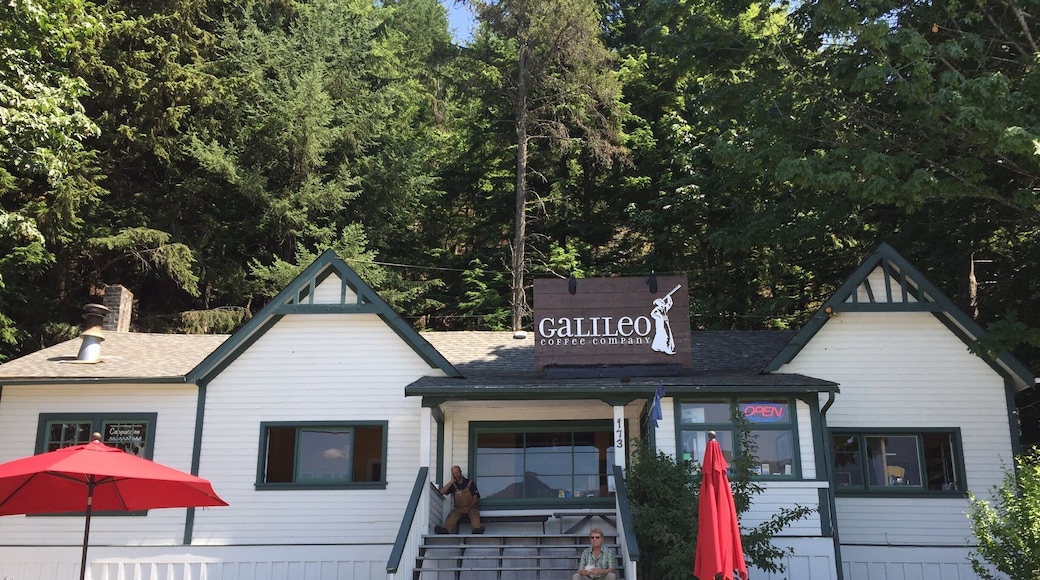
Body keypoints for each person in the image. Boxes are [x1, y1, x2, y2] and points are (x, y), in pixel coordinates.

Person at [435, 465, 484, 534]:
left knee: (475, 515)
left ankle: (476, 530)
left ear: (460, 472)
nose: (456, 475)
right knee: (451, 516)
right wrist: (451, 482)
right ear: (452, 475)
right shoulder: (453, 485)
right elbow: (441, 492)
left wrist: (468, 508)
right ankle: (446, 530)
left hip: (471, 507)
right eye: (454, 473)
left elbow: (475, 498)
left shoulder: (470, 483)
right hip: (458, 509)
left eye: (457, 472)